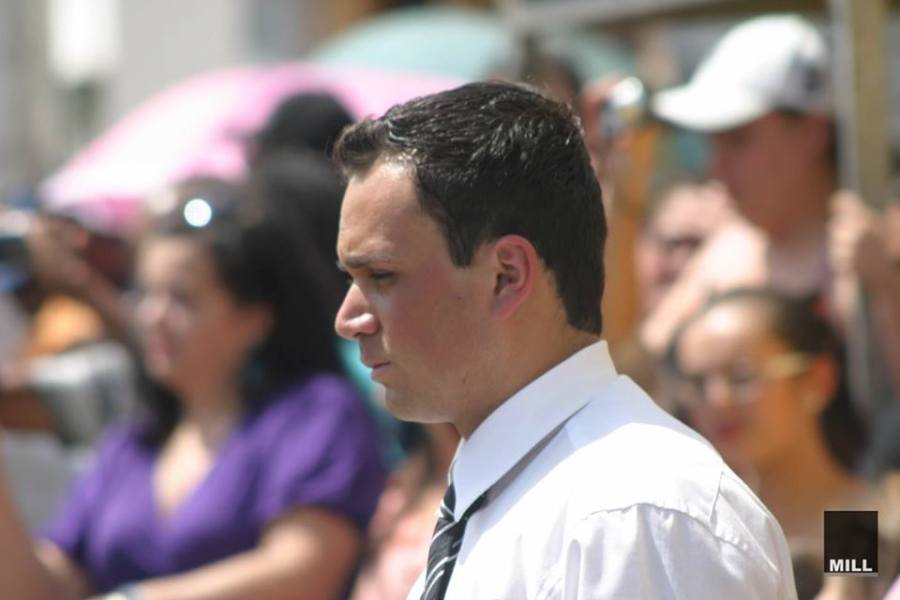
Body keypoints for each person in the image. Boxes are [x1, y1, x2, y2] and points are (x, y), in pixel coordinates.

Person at [333, 80, 796, 599]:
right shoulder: (548, 499)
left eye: (382, 276)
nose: (348, 319)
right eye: (352, 278)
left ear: (506, 276)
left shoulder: (632, 517)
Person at [0, 179, 387, 599]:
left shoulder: (314, 413)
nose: (153, 316)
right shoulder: (129, 446)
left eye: (182, 299)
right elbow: (42, 590)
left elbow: (305, 571)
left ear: (255, 317)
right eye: (145, 294)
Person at [643, 14, 900, 412]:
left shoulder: (885, 243)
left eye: (738, 139)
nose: (716, 166)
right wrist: (623, 200)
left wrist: (888, 289)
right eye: (713, 143)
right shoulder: (726, 251)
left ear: (813, 131)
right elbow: (640, 371)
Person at [670, 288, 867, 547]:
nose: (718, 401)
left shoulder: (855, 519)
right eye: (698, 383)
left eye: (742, 377)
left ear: (817, 379)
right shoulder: (698, 528)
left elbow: (852, 574)